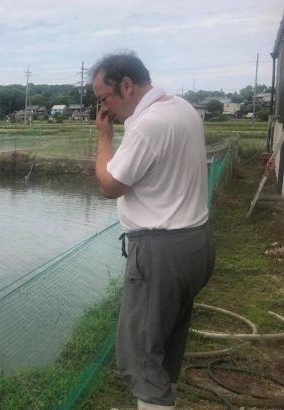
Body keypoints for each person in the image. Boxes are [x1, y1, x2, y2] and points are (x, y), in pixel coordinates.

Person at [91, 52, 215, 409]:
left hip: (161, 251)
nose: (104, 107)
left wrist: (104, 139)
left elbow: (110, 184)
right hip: (196, 243)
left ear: (127, 86)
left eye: (104, 98)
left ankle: (154, 401)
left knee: (140, 358)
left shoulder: (148, 125)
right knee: (162, 343)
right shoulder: (182, 108)